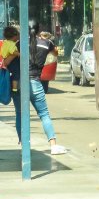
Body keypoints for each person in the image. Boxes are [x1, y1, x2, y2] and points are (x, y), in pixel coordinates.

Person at [12, 20, 67, 154]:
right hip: (36, 83)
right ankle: (53, 145)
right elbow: (55, 53)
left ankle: (24, 145)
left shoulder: (20, 44)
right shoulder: (46, 43)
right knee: (44, 115)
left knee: (20, 114)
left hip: (20, 84)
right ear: (38, 30)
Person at [1, 26, 21, 93]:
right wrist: (19, 54)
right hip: (13, 62)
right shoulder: (11, 44)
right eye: (18, 34)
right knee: (16, 74)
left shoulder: (5, 42)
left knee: (13, 73)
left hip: (6, 59)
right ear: (14, 36)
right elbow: (12, 51)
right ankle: (14, 89)